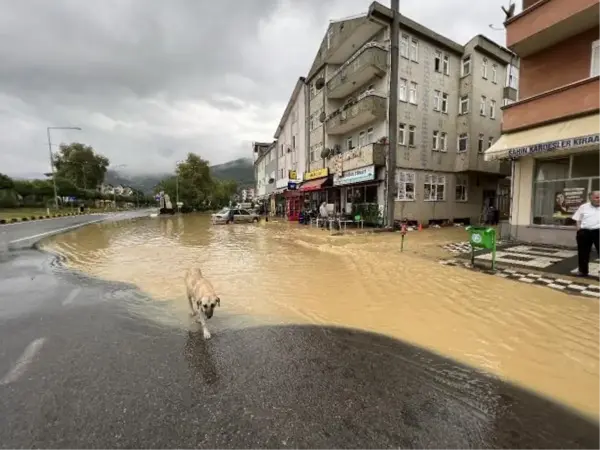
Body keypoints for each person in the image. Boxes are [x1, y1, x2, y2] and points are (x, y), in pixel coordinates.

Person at [572, 191, 600, 277]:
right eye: (597, 197)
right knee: (583, 253)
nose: (599, 199)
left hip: (599, 232)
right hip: (585, 232)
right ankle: (583, 271)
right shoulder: (583, 207)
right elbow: (577, 219)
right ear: (590, 198)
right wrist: (579, 229)